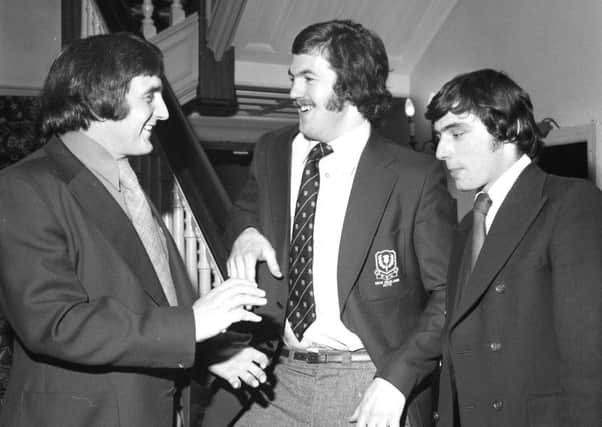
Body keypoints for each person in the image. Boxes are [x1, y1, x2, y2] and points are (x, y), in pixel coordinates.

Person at [0, 33, 268, 427]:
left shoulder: (127, 184)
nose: (163, 112)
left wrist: (210, 354)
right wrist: (190, 325)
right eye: (150, 96)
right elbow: (54, 321)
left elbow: (146, 302)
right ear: (99, 97)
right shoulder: (24, 186)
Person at [202, 19, 456, 427]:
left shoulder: (415, 176)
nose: (292, 92)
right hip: (276, 376)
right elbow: (243, 211)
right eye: (292, 77)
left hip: (368, 379)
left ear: (351, 86)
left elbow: (448, 295)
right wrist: (245, 233)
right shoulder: (272, 151)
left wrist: (396, 380)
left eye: (307, 78)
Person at [426, 69, 602, 427]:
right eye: (439, 137)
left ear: (507, 129)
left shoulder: (570, 202)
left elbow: (589, 358)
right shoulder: (466, 226)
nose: (442, 151)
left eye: (457, 133)